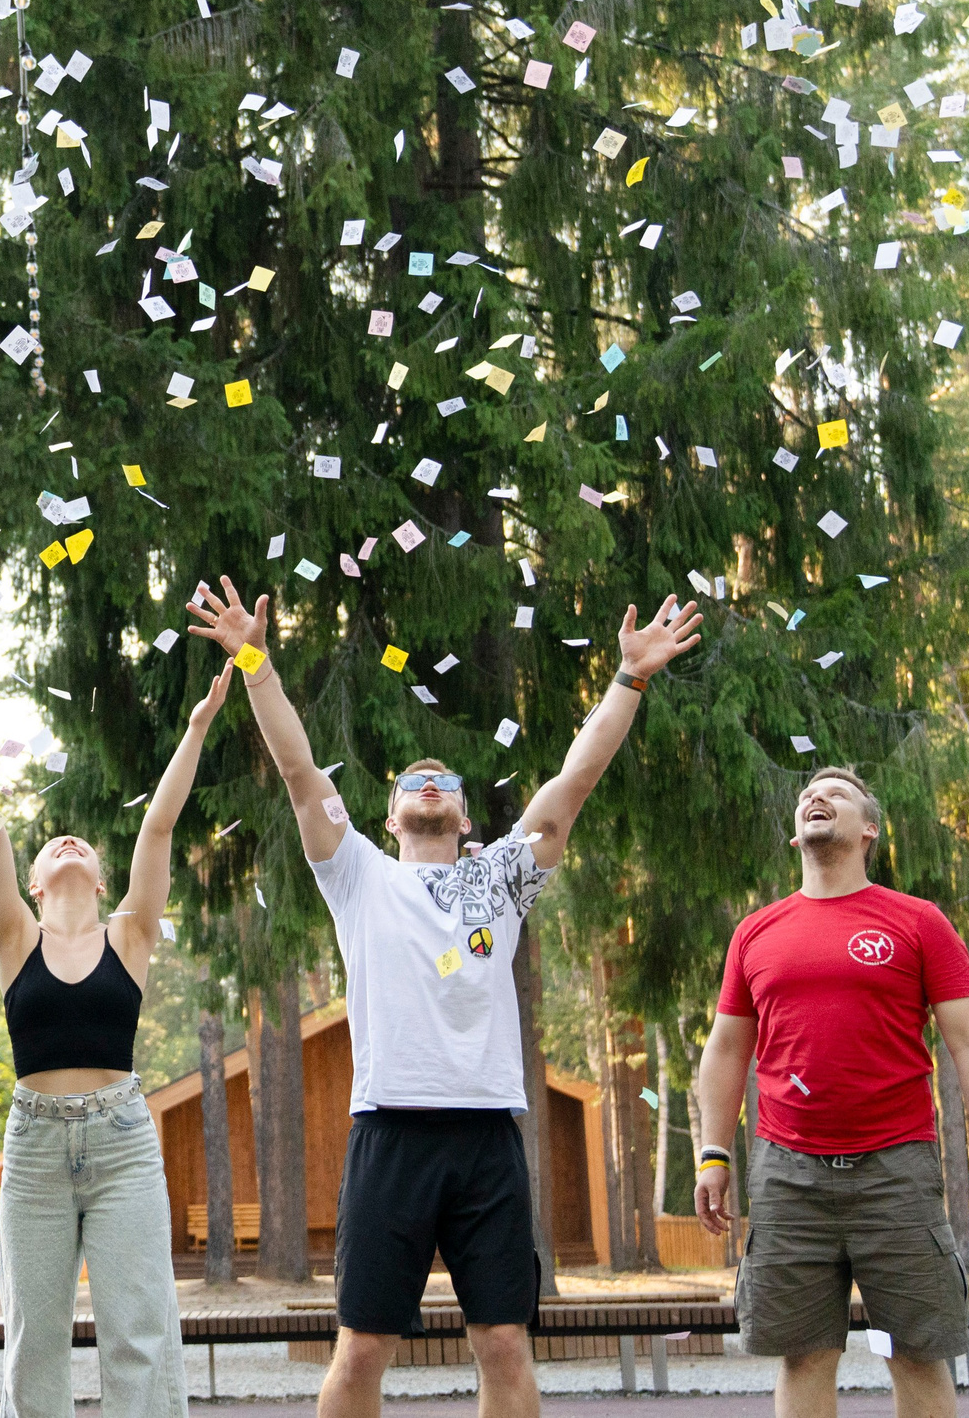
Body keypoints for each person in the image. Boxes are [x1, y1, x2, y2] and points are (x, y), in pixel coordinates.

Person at [188, 576, 703, 1418]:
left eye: (447, 780)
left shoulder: (501, 876)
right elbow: (293, 763)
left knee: (502, 1341)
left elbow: (575, 779)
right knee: (360, 1350)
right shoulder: (356, 874)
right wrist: (254, 657)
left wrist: (629, 679)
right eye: (411, 782)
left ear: (466, 817)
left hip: (486, 1135)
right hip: (389, 1131)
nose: (430, 784)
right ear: (388, 817)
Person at [0, 663, 231, 1418]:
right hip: (36, 1150)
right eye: (52, 848)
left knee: (138, 1334)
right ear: (34, 883)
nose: (68, 843)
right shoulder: (15, 936)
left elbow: (160, 822)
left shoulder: (131, 933)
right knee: (34, 1340)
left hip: (123, 1143)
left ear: (103, 880)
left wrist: (199, 723)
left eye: (81, 846)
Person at [692, 767, 969, 1418]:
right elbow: (726, 1048)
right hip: (788, 1172)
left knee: (916, 1352)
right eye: (808, 794)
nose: (816, 797)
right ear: (794, 834)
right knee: (804, 1354)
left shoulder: (918, 921)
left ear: (868, 828)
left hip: (897, 1168)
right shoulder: (756, 931)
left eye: (836, 793)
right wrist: (713, 1153)